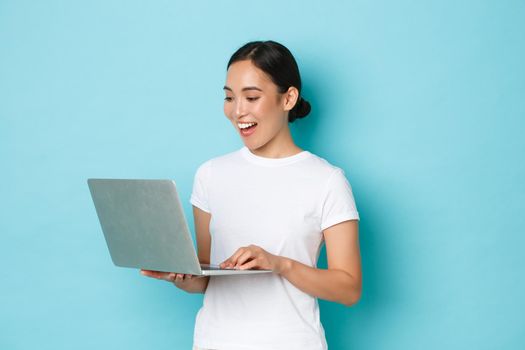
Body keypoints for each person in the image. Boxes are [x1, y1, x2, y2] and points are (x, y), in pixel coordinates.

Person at [141, 40, 361, 350]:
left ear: (288, 98)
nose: (237, 111)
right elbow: (205, 278)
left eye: (252, 97)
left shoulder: (327, 180)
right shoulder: (210, 175)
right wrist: (179, 274)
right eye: (229, 97)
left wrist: (280, 264)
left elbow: (348, 288)